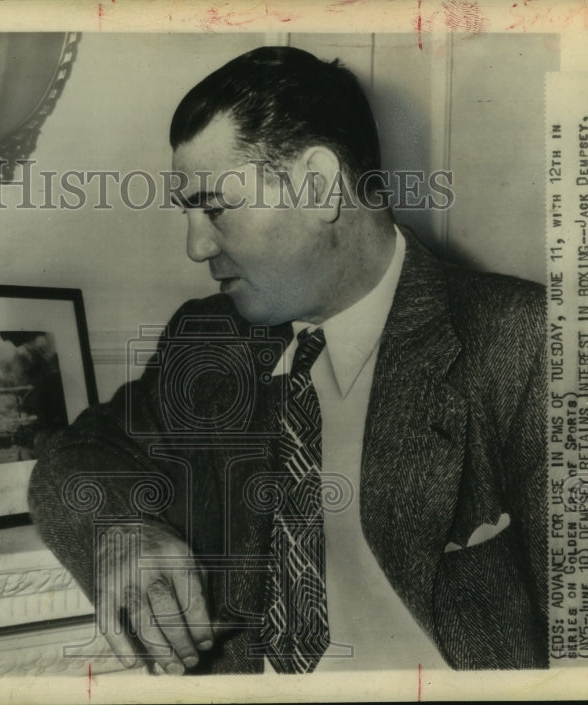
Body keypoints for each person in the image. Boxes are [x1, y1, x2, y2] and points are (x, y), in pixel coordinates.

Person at [28, 46, 547, 674]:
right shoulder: (209, 339)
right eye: (189, 212)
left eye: (215, 207)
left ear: (319, 183)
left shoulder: (524, 344)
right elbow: (76, 452)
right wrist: (121, 530)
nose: (196, 245)